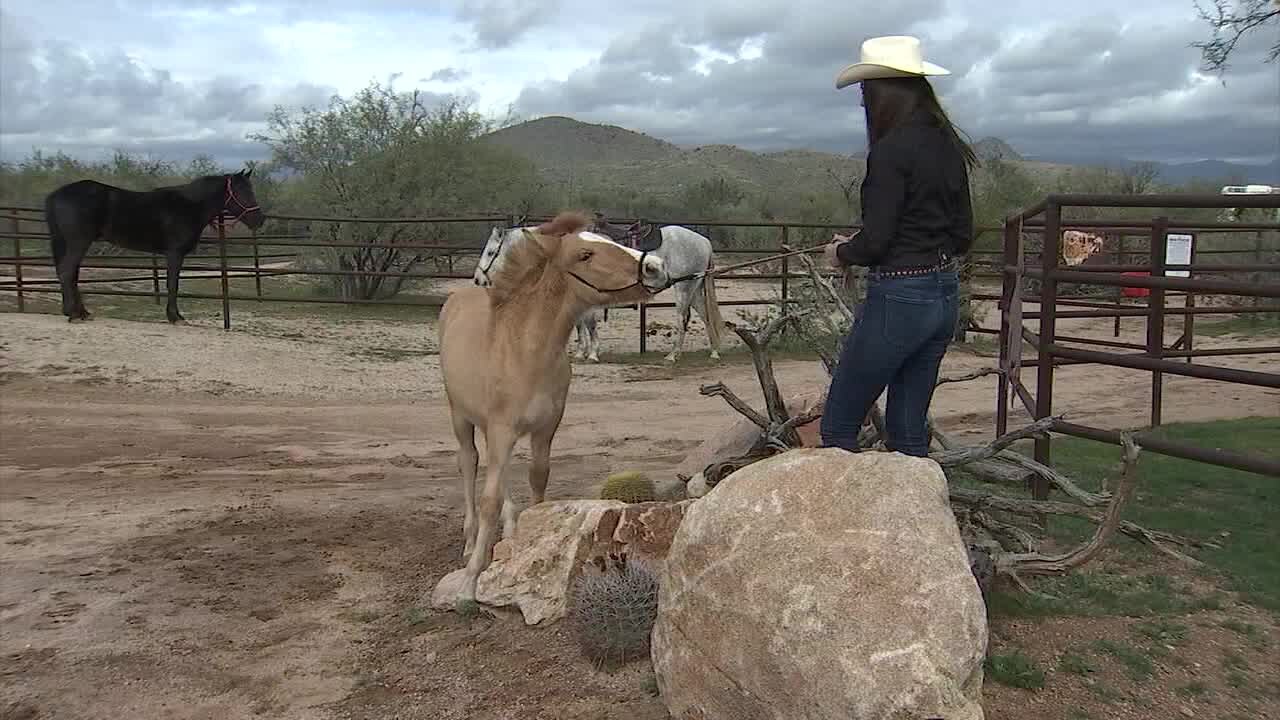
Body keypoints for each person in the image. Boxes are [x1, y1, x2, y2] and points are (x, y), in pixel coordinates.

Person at [818, 35, 978, 457]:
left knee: (838, 426)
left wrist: (841, 253)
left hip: (900, 297)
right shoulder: (948, 147)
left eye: (865, 91)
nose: (862, 103)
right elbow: (963, 233)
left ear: (883, 91)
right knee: (908, 429)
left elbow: (877, 241)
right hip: (943, 295)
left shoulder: (890, 151)